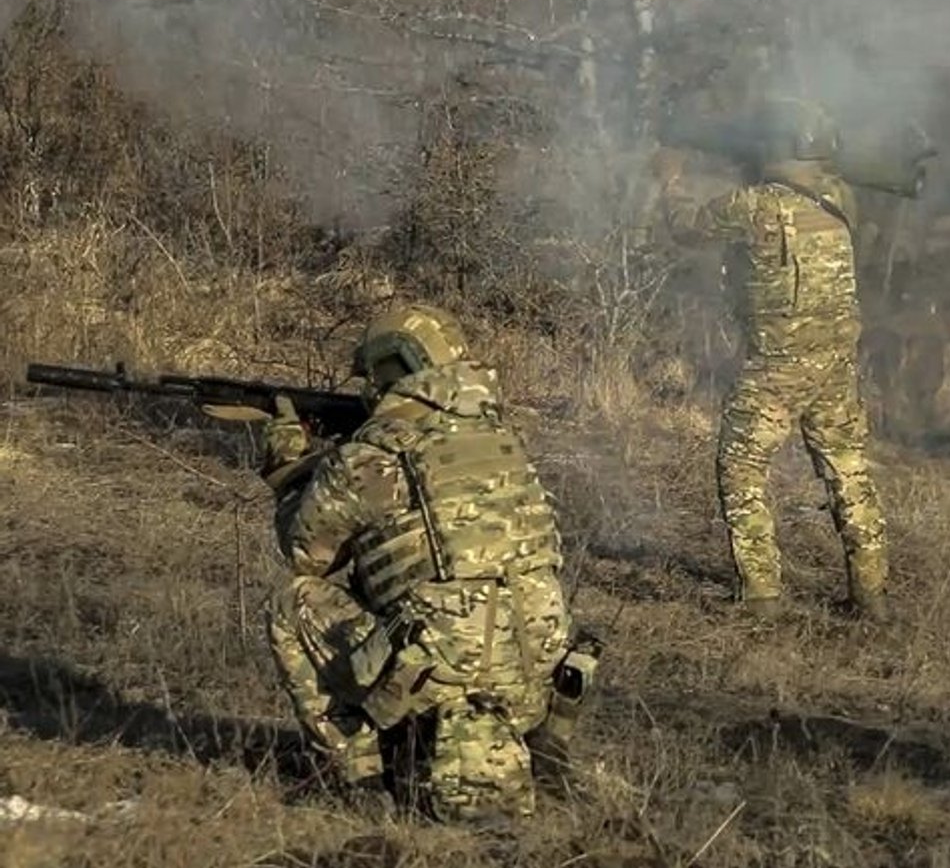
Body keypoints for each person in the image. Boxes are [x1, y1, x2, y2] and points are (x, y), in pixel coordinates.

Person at [259, 303, 595, 822]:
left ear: (390, 369)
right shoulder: (505, 438)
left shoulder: (379, 451)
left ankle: (357, 778)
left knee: (292, 603)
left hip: (432, 683)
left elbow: (307, 552)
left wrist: (289, 467)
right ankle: (534, 754)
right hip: (536, 688)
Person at [651, 97, 890, 619]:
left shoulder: (754, 205)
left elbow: (686, 227)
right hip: (835, 360)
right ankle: (871, 595)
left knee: (740, 464)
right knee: (848, 468)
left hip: (778, 365)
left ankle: (760, 592)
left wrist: (670, 178)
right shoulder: (840, 197)